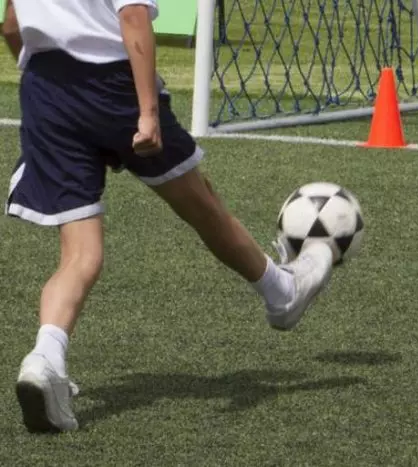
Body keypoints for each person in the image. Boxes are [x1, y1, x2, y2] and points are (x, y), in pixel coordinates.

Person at [2, 0, 334, 434]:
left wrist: (51, 98)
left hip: (45, 89)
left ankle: (44, 358)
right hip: (111, 86)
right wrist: (147, 114)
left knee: (80, 254)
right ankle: (280, 292)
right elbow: (133, 18)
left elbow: (11, 26)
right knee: (201, 204)